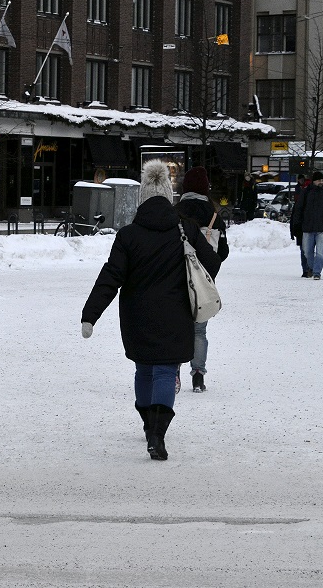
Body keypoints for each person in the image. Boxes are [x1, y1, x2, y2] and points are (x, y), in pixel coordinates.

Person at [81, 160, 221, 461]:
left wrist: (90, 314)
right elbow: (213, 264)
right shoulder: (186, 230)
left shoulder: (128, 235)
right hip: (176, 314)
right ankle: (158, 433)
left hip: (136, 316)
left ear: (142, 197)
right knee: (166, 370)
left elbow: (111, 277)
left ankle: (148, 426)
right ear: (169, 195)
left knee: (144, 369)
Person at [175, 166, 228, 394]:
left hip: (176, 278)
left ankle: (173, 374)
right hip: (204, 281)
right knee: (199, 331)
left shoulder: (175, 211)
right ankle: (198, 375)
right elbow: (223, 252)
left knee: (176, 328)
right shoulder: (214, 214)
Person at [289, 170, 323, 280]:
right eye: (319, 180)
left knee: (320, 252)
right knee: (307, 252)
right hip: (307, 228)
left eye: (322, 180)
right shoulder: (306, 192)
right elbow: (298, 209)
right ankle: (311, 268)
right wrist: (296, 225)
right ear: (314, 181)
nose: (321, 182)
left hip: (321, 227)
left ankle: (317, 272)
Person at [292, 173, 310, 276]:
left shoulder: (303, 190)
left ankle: (307, 269)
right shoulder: (299, 188)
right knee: (306, 248)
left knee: (305, 248)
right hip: (303, 224)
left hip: (304, 224)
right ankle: (307, 268)